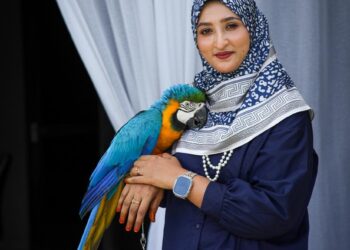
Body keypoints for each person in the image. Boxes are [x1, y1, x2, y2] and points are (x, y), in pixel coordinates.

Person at [116, 0, 318, 249]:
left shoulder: (285, 114)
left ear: (253, 28)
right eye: (206, 31)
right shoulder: (193, 107)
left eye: (231, 26)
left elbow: (273, 214)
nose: (219, 42)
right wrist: (152, 180)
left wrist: (181, 180)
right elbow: (164, 171)